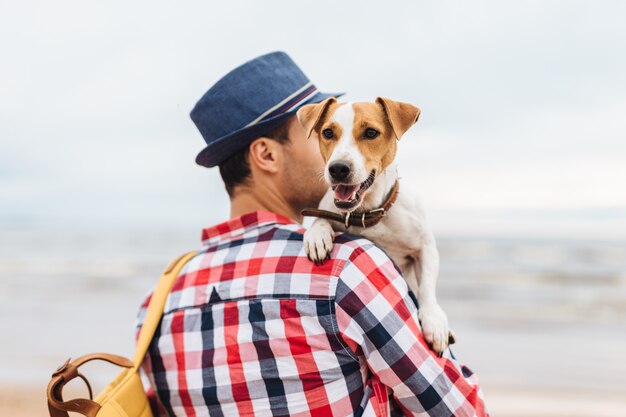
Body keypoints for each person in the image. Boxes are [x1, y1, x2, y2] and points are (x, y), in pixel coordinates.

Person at [135, 51, 489, 417]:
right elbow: (458, 409)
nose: (339, 152)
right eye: (325, 134)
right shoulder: (349, 269)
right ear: (266, 155)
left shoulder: (156, 305)